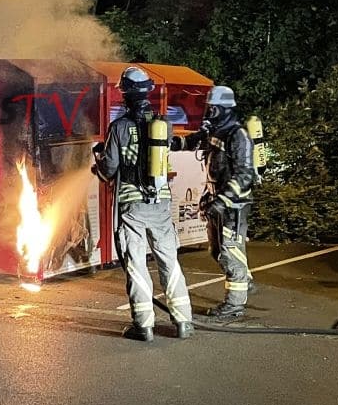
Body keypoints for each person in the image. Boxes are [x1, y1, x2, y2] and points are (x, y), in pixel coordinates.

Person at [93, 66, 193, 342]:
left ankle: (144, 326)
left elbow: (109, 169)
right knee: (169, 260)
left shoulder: (119, 128)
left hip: (132, 207)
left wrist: (98, 162)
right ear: (148, 92)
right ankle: (183, 322)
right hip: (160, 204)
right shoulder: (163, 124)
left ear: (125, 94)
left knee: (136, 263)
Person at [174, 85, 256, 320]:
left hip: (234, 205)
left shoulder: (238, 135)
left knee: (230, 252)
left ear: (225, 109)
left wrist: (222, 201)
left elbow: (245, 175)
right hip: (215, 198)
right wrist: (165, 142)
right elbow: (190, 143)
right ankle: (243, 279)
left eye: (213, 108)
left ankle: (234, 304)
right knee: (217, 251)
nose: (209, 112)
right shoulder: (215, 132)